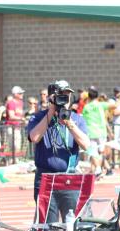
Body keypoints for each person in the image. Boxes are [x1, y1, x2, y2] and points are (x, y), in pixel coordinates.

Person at [27, 80, 90, 222]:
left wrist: (69, 123)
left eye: (67, 96)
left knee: (73, 224)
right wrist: (50, 113)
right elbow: (34, 137)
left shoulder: (77, 119)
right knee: (47, 226)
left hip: (69, 177)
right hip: (45, 178)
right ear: (51, 98)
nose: (64, 100)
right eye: (61, 96)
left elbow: (86, 145)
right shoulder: (38, 117)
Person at [81, 87, 111, 176]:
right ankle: (99, 169)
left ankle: (98, 169)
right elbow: (114, 105)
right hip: (102, 132)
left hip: (91, 132)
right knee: (100, 152)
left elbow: (83, 119)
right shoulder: (101, 105)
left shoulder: (86, 107)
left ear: (89, 97)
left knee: (93, 152)